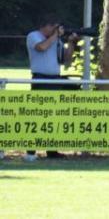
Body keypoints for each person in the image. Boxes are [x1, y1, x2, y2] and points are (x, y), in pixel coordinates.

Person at [25, 15, 79, 160]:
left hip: (55, 79)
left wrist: (71, 43)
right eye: (53, 27)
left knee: (53, 116)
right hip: (41, 79)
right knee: (37, 116)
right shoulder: (33, 35)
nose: (55, 30)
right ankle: (31, 151)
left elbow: (66, 60)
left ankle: (52, 151)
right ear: (44, 26)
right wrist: (55, 35)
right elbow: (41, 47)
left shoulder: (56, 40)